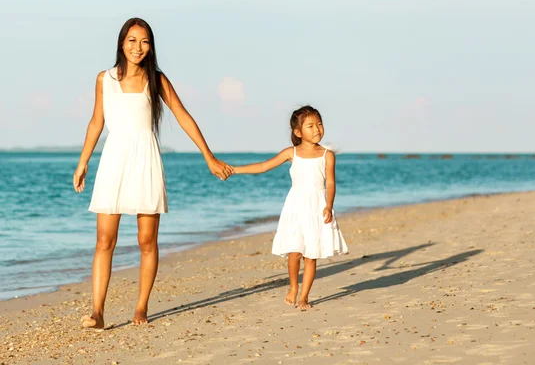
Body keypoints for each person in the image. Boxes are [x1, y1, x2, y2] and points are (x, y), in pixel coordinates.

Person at [72, 17, 233, 329]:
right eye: (132, 40)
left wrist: (208, 156)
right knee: (105, 239)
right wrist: (83, 162)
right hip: (114, 160)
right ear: (121, 43)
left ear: (151, 46)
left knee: (147, 240)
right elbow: (96, 122)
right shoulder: (104, 79)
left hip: (145, 159)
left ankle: (141, 307)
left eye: (144, 42)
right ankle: (97, 312)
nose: (138, 47)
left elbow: (183, 116)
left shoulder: (156, 79)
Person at [231, 105, 347, 310]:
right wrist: (234, 170)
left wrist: (329, 206)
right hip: (296, 207)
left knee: (311, 256)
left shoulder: (327, 155)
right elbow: (262, 167)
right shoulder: (291, 153)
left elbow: (330, 183)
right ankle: (293, 286)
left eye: (319, 124)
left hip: (318, 207)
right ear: (298, 132)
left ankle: (304, 296)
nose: (317, 129)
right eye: (310, 126)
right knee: (294, 252)